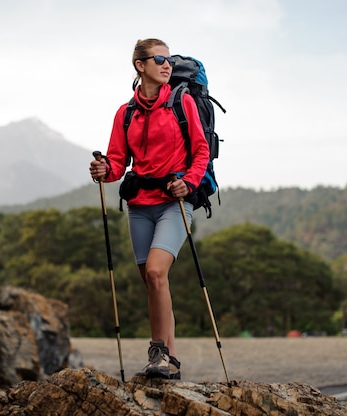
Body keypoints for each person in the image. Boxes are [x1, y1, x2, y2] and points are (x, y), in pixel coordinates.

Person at [89, 38, 210, 380]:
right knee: (152, 281)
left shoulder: (182, 103)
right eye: (159, 59)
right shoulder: (125, 113)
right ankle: (166, 359)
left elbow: (201, 151)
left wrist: (188, 181)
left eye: (169, 59)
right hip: (140, 206)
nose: (167, 64)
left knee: (156, 273)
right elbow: (116, 163)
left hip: (175, 202)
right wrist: (104, 170)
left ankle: (159, 351)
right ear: (140, 65)